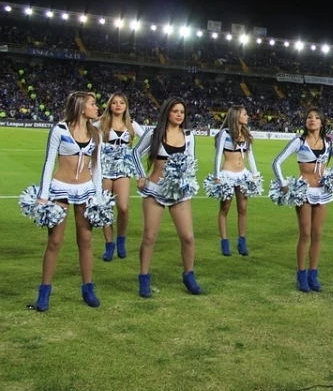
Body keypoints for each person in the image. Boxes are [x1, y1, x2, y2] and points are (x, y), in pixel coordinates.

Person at [32, 92, 103, 311]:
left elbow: (97, 166)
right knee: (54, 241)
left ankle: (88, 288)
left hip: (85, 189)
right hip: (60, 188)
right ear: (82, 107)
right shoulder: (60, 130)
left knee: (86, 240)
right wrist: (43, 196)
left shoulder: (95, 132)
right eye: (93, 104)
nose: (96, 107)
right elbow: (48, 162)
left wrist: (98, 196)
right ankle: (44, 291)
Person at [132, 97, 203, 297]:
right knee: (149, 236)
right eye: (175, 111)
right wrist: (140, 175)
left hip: (179, 192)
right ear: (167, 113)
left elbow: (192, 161)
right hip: (155, 189)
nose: (179, 115)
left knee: (188, 237)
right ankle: (144, 277)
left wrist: (187, 181)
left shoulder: (188, 136)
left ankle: (189, 275)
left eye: (182, 112)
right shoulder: (154, 133)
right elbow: (135, 152)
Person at [272, 108, 333, 292]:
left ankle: (313, 274)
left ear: (322, 122)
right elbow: (277, 162)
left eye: (317, 117)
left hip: (322, 191)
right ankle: (301, 275)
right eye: (309, 117)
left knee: (317, 234)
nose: (312, 120)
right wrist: (283, 183)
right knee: (305, 234)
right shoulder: (299, 141)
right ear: (305, 122)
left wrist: (330, 175)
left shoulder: (329, 142)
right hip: (303, 192)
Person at [96, 92, 146, 261]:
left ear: (126, 106)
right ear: (109, 105)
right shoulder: (101, 123)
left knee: (123, 207)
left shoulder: (131, 124)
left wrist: (137, 154)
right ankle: (109, 244)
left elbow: (149, 139)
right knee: (105, 208)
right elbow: (86, 136)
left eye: (121, 103)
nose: (118, 105)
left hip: (123, 167)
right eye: (114, 102)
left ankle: (121, 239)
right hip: (104, 168)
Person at [212, 105, 260, 256]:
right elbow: (218, 155)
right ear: (236, 116)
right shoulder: (224, 134)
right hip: (227, 174)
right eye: (244, 114)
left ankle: (242, 242)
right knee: (225, 208)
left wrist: (255, 174)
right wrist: (217, 176)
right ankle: (225, 242)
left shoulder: (246, 134)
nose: (247, 116)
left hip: (243, 175)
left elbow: (250, 155)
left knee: (243, 209)